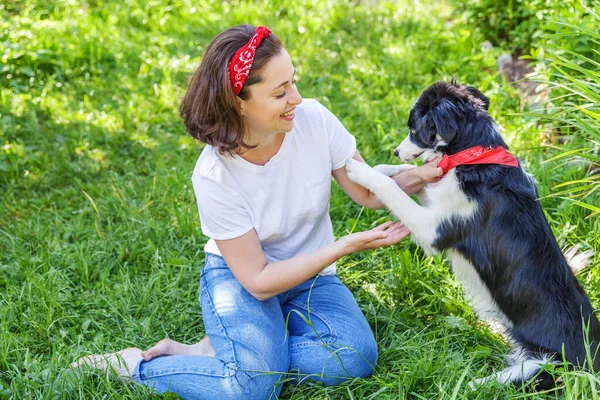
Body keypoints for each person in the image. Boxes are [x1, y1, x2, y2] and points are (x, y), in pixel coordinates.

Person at [73, 25, 442, 399]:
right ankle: (140, 366)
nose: (296, 98)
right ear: (239, 103)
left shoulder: (314, 120)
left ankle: (231, 353)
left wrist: (427, 174)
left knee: (352, 358)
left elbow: (367, 192)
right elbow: (259, 280)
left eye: (293, 83)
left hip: (311, 277)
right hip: (242, 280)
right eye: (280, 92)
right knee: (253, 388)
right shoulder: (214, 175)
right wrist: (343, 246)